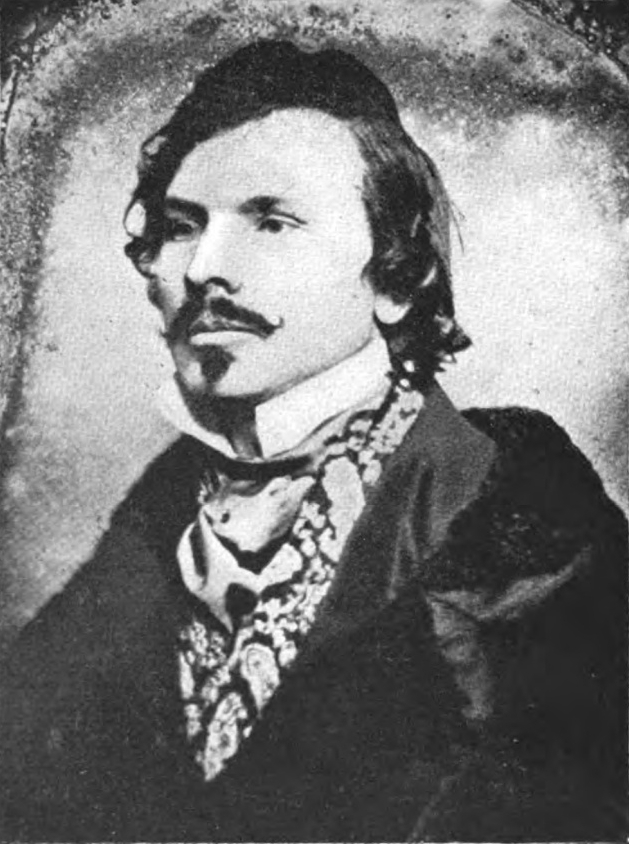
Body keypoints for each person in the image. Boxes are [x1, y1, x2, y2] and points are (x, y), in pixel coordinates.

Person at [0, 40, 626, 842]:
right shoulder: (159, 517)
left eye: (272, 221)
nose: (204, 268)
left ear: (395, 278)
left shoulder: (519, 521)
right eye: (181, 226)